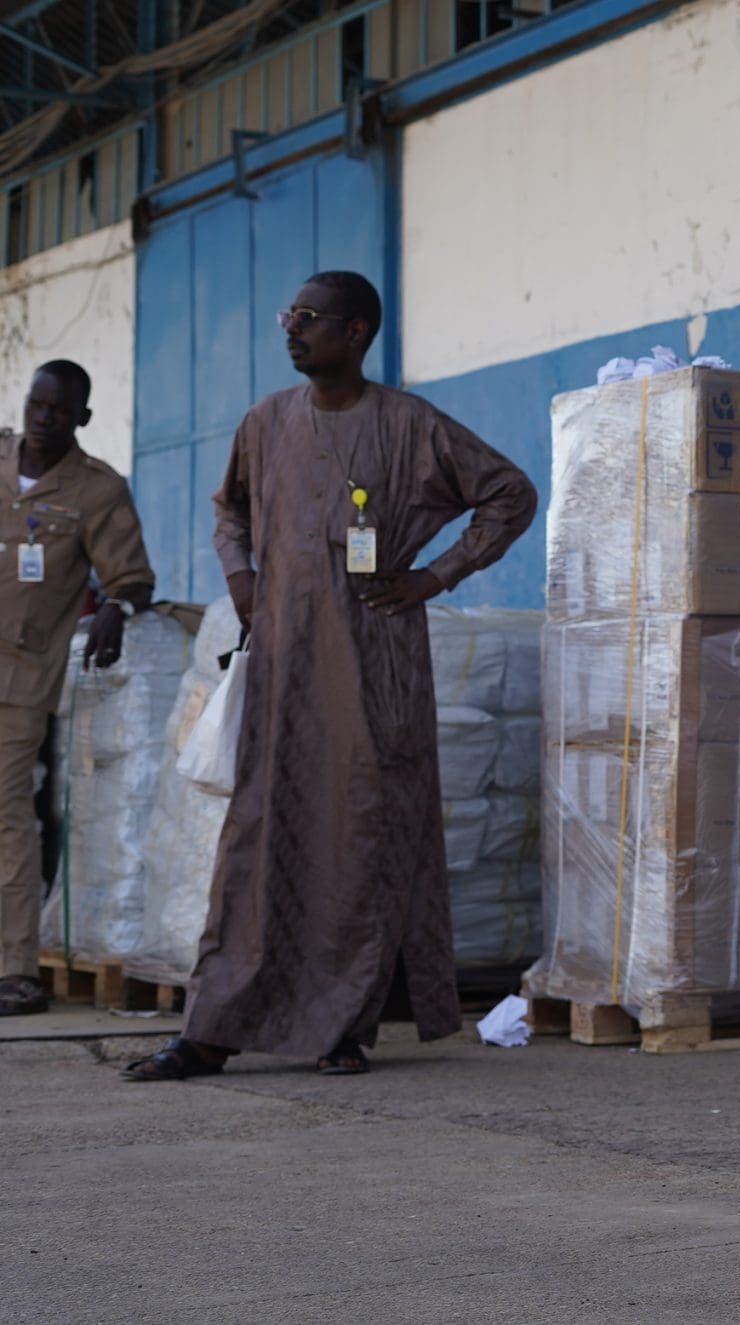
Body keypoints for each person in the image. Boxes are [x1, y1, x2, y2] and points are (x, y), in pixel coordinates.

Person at [123, 271, 535, 1080]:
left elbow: (509, 493)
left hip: (375, 666)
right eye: (290, 314)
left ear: (356, 333)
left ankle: (343, 1023)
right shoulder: (266, 421)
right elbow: (230, 508)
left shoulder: (410, 425)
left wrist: (435, 574)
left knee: (360, 839)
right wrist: (240, 577)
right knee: (256, 841)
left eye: (308, 317)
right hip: (283, 666)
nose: (292, 328)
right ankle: (211, 1028)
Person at [0, 362, 153, 1016]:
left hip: (20, 675)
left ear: (82, 418)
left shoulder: (97, 490)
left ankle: (14, 968)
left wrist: (118, 606)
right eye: (36, 403)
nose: (43, 417)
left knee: (6, 814)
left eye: (58, 409)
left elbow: (132, 575)